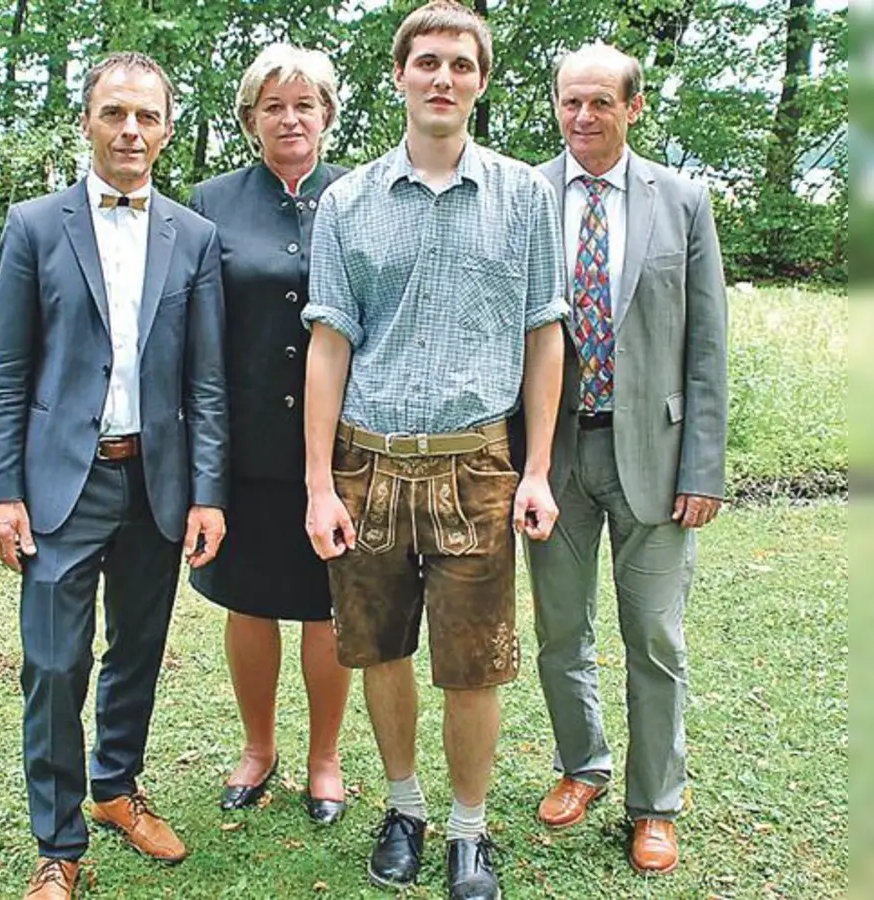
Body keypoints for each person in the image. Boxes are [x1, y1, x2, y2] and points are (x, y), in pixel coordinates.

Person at [301, 4, 566, 898]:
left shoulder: (527, 197)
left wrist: (535, 470)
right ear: (400, 76)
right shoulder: (347, 202)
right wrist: (317, 486)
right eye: (426, 62)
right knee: (378, 649)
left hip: (479, 468)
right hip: (367, 466)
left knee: (474, 658)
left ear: (481, 81)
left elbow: (543, 335)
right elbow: (329, 342)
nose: (442, 77)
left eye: (460, 63)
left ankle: (467, 829)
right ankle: (405, 808)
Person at [0, 51, 228, 900]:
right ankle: (57, 842)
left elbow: (206, 381)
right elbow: (6, 370)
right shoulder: (34, 226)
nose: (130, 130)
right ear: (88, 120)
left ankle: (117, 787)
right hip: (60, 486)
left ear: (165, 127)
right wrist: (0, 491)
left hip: (155, 484)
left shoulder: (192, 237)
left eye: (147, 116)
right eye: (115, 113)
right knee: (53, 663)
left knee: (138, 649)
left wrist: (208, 493)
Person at [517, 43, 729, 876]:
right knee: (560, 631)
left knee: (655, 638)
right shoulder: (524, 195)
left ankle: (655, 804)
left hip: (657, 454)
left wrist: (703, 467)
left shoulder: (683, 201)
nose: (583, 118)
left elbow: (707, 348)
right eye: (571, 102)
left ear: (633, 107)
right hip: (555, 455)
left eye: (601, 102)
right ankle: (583, 767)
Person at [186, 43, 352, 825]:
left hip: (341, 448)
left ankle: (325, 757)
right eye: (273, 106)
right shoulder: (208, 203)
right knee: (246, 602)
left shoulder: (360, 197)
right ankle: (258, 748)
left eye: (305, 104)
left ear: (327, 115)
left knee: (328, 606)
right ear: (251, 119)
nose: (290, 118)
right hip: (243, 445)